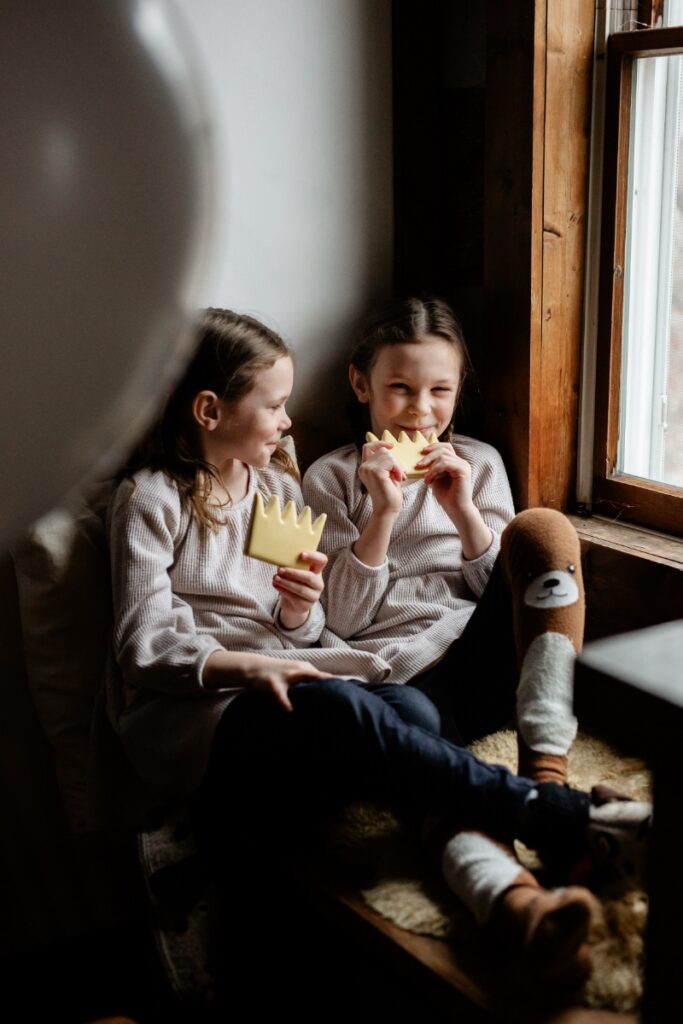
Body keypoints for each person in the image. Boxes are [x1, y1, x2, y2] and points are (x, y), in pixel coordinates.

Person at [106, 307, 649, 995]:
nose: (287, 422)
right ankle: (553, 815)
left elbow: (303, 625)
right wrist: (260, 658)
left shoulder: (273, 487)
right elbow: (142, 641)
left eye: (439, 391)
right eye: (274, 405)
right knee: (356, 707)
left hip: (304, 680)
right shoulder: (152, 497)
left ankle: (532, 838)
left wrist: (299, 612)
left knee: (407, 721)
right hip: (208, 710)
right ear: (210, 410)